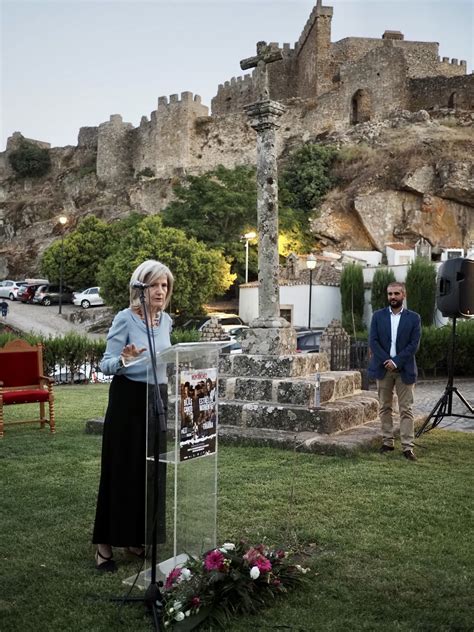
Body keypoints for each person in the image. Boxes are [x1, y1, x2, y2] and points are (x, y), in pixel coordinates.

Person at [92, 259, 174, 571]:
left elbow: (166, 358)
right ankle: (104, 545)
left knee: (149, 473)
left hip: (157, 399)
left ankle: (135, 538)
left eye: (164, 285)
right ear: (139, 288)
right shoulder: (124, 319)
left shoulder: (165, 321)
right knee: (121, 470)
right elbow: (106, 364)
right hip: (128, 400)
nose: (160, 291)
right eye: (154, 285)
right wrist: (124, 361)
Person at [368, 281, 421, 461]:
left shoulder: (414, 318)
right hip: (383, 369)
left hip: (404, 369)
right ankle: (387, 442)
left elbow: (414, 345)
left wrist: (396, 361)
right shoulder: (378, 316)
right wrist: (386, 360)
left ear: (403, 295)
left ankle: (407, 447)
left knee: (406, 409)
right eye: (390, 294)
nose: (393, 297)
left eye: (396, 294)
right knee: (384, 407)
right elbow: (373, 341)